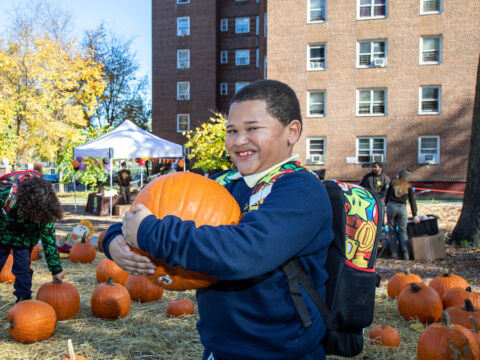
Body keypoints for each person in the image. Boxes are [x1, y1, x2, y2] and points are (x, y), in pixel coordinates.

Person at [101, 80, 334, 359]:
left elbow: (245, 252)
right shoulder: (225, 184)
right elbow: (153, 209)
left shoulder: (302, 190)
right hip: (219, 347)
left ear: (291, 132)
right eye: (231, 131)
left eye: (252, 128)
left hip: (282, 351)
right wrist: (114, 239)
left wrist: (150, 232)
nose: (238, 141)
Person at [0, 176, 65, 303]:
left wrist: (56, 269)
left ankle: (23, 300)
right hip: (1, 235)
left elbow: (49, 240)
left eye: (41, 215)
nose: (38, 218)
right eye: (36, 214)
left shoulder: (45, 213)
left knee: (23, 270)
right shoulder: (7, 196)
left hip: (24, 240)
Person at [385, 168, 420, 260]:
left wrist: (386, 206)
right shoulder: (409, 186)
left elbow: (387, 196)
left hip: (391, 206)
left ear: (399, 175)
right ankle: (405, 254)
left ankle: (394, 253)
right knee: (403, 231)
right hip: (402, 208)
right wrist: (415, 214)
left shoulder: (393, 183)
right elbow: (412, 200)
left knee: (392, 231)